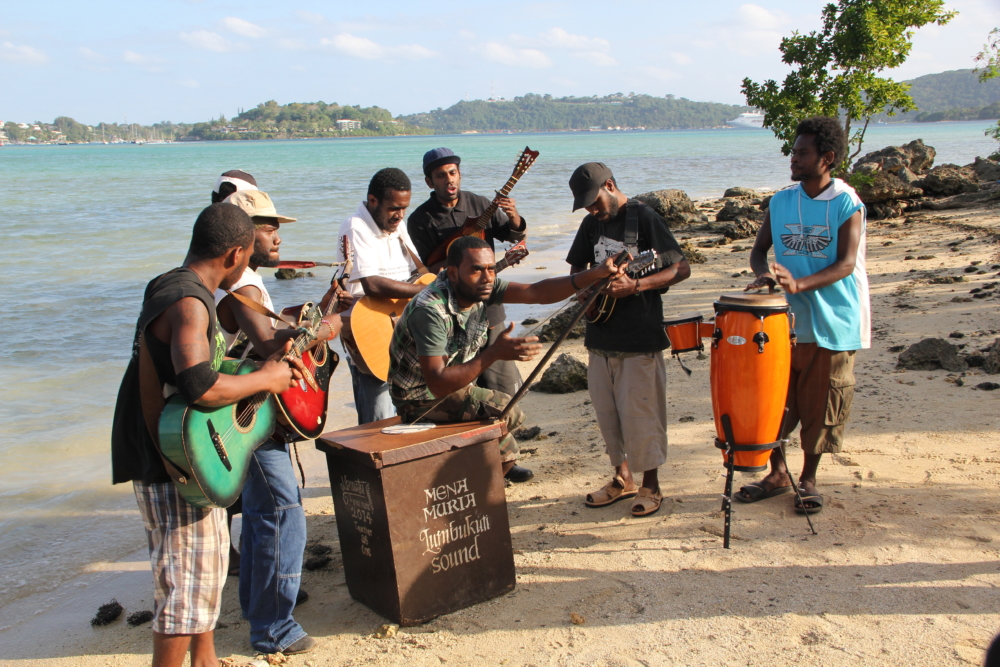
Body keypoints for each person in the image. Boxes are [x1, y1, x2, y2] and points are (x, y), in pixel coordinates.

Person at [110, 203, 303, 667]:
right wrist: (267, 380)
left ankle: (207, 660)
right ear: (237, 254)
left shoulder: (175, 286)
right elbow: (198, 384)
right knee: (184, 584)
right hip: (171, 457)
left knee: (208, 568)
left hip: (187, 453)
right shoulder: (190, 301)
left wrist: (258, 366)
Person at [215, 189, 348, 656]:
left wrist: (317, 315)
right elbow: (273, 348)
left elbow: (270, 337)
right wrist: (328, 328)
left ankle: (259, 605)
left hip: (236, 417)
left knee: (259, 513)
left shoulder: (239, 281)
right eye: (269, 227)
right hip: (248, 417)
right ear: (244, 235)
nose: (277, 237)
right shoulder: (244, 286)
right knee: (282, 512)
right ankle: (274, 627)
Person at [388, 235, 625, 480]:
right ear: (453, 272)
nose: (488, 277)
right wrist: (494, 353)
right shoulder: (431, 310)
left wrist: (595, 274)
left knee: (499, 403)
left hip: (453, 385)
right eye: (476, 270)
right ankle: (484, 478)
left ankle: (504, 461)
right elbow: (437, 384)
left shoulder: (481, 288)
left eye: (491, 269)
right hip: (419, 398)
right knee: (505, 409)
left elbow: (537, 292)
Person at [738, 115, 870, 515]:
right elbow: (760, 251)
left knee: (820, 404)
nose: (793, 158)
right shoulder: (782, 200)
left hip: (833, 321)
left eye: (802, 152)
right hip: (785, 323)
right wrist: (765, 276)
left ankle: (808, 479)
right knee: (777, 401)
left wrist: (799, 284)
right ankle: (778, 474)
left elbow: (846, 263)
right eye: (793, 151)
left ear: (827, 158)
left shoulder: (847, 202)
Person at [565, 162, 690, 517]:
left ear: (610, 185)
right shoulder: (591, 225)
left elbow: (680, 267)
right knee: (609, 415)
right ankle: (623, 478)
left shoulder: (644, 218)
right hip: (599, 335)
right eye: (585, 205)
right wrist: (587, 290)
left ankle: (651, 485)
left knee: (642, 416)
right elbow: (576, 269)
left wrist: (635, 285)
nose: (591, 210)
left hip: (639, 336)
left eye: (594, 201)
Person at [407, 147, 527, 402]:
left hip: (488, 309)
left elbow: (514, 236)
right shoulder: (420, 219)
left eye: (453, 172)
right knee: (461, 391)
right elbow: (428, 272)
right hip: (451, 316)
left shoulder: (481, 204)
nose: (449, 179)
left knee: (503, 387)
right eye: (440, 175)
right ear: (430, 181)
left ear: (459, 174)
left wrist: (513, 215)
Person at [336, 167, 429, 424]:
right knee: (378, 422)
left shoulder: (396, 227)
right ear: (373, 200)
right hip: (368, 332)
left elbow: (417, 273)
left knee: (409, 416)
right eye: (393, 209)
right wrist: (423, 291)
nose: (400, 216)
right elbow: (371, 284)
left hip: (400, 330)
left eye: (404, 208)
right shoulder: (355, 226)